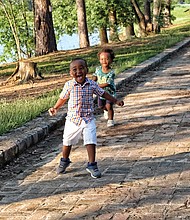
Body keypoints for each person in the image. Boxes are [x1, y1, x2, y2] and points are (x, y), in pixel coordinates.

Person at [48, 58, 124, 178]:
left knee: (91, 140)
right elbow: (63, 98)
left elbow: (103, 93)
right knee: (67, 142)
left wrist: (115, 101)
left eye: (81, 68)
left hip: (88, 118)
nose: (78, 71)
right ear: (70, 73)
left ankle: (92, 164)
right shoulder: (69, 85)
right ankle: (64, 160)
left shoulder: (92, 84)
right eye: (75, 69)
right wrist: (55, 108)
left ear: (86, 70)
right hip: (73, 120)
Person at [92, 48, 116, 127]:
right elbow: (95, 76)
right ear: (99, 60)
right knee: (101, 106)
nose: (104, 61)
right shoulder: (98, 69)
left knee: (109, 105)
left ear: (111, 60)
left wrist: (95, 86)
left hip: (110, 92)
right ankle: (106, 111)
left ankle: (110, 120)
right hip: (100, 93)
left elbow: (107, 83)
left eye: (107, 59)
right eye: (102, 59)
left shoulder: (111, 72)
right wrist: (92, 81)